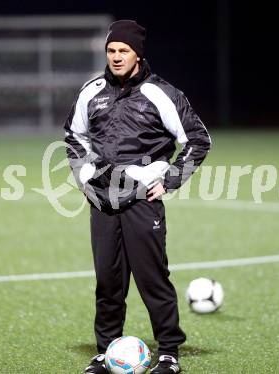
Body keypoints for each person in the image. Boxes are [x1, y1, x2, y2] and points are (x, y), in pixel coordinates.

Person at [64, 20, 211, 374]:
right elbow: (73, 136)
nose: (116, 57)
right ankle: (104, 351)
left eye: (123, 51)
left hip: (143, 201)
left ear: (137, 54)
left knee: (152, 277)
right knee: (108, 280)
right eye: (111, 50)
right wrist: (85, 177)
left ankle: (169, 352)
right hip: (102, 200)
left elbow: (197, 140)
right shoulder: (92, 91)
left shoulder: (161, 93)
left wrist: (171, 179)